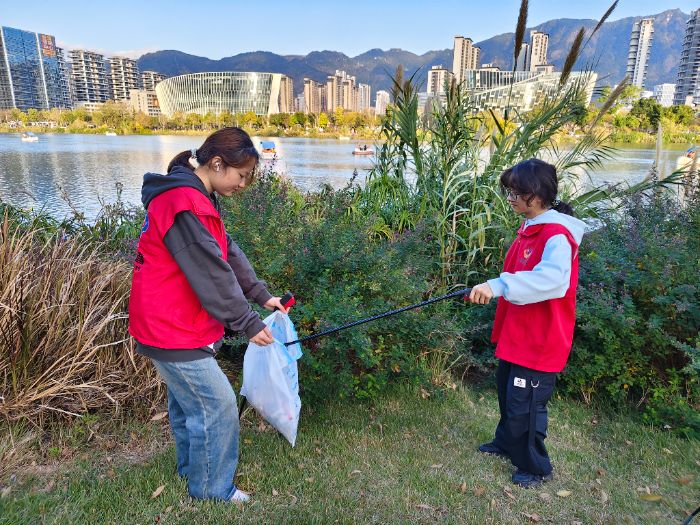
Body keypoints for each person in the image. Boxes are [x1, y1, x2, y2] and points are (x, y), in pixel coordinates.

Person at [128, 127, 289, 503]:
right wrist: (247, 323)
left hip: (172, 321)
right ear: (217, 164)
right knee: (217, 405)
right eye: (241, 175)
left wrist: (260, 295)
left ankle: (192, 469)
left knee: (188, 402)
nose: (243, 185)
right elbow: (213, 274)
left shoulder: (195, 196)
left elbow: (226, 250)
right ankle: (212, 489)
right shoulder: (183, 203)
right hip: (169, 325)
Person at [469, 158, 586, 488]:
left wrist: (498, 285)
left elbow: (553, 281)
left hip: (540, 339)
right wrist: (492, 286)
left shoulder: (556, 235)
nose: (510, 198)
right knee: (509, 395)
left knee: (527, 405)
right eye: (509, 192)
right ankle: (507, 442)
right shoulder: (531, 228)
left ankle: (536, 467)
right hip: (518, 334)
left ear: (535, 195)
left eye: (515, 192)